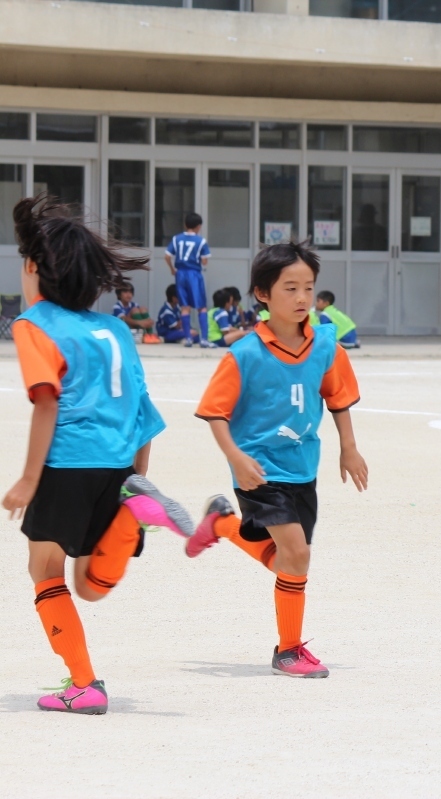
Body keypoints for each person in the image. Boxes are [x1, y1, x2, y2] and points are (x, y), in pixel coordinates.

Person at [3, 195, 195, 715]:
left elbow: (46, 402)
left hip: (67, 465)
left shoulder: (33, 325)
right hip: (118, 467)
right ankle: (133, 515)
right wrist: (136, 478)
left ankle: (84, 684)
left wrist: (28, 479)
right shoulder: (115, 329)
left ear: (33, 270)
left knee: (45, 570)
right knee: (88, 585)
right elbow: (142, 405)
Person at [187, 240, 368, 679]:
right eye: (290, 288)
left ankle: (223, 524)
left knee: (291, 559)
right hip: (259, 469)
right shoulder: (245, 353)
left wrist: (348, 446)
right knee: (297, 553)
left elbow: (338, 397)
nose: (302, 297)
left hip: (303, 467)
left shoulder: (326, 346)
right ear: (262, 294)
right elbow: (215, 412)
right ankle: (288, 651)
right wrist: (235, 457)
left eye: (308, 287)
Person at [164, 211, 215, 349]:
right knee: (201, 307)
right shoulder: (201, 241)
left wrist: (172, 269)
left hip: (180, 274)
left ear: (185, 225)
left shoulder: (176, 239)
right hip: (194, 274)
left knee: (185, 307)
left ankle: (187, 339)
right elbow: (204, 261)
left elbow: (167, 256)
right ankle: (204, 340)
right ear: (199, 226)